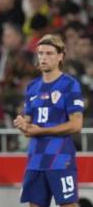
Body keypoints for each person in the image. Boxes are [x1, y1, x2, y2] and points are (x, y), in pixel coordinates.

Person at [14, 34, 84, 207]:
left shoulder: (69, 84)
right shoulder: (32, 87)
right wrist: (23, 125)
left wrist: (41, 131)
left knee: (68, 205)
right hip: (36, 158)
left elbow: (76, 125)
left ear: (60, 56)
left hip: (60, 157)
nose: (43, 57)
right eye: (40, 53)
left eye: (49, 53)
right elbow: (29, 126)